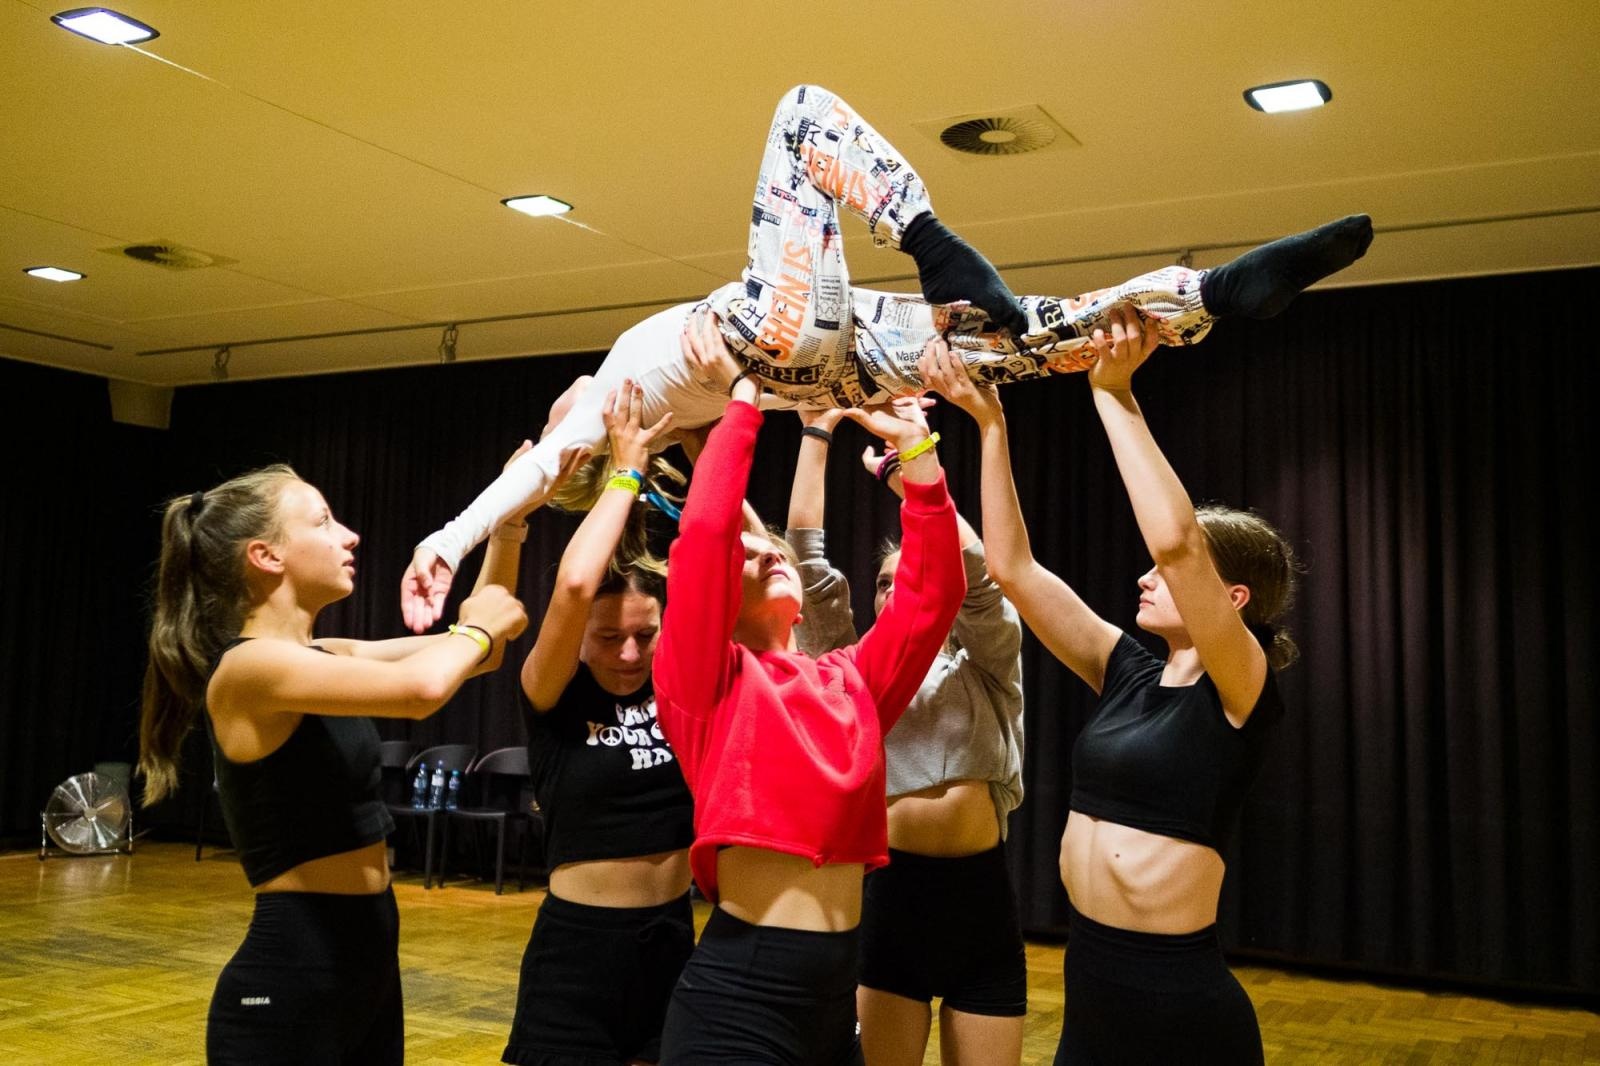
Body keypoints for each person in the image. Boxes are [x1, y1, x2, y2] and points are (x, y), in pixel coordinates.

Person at [401, 83, 1371, 630]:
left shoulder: (669, 443)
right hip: (770, 335)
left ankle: (1204, 298)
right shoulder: (606, 421)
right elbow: (530, 475)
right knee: (797, 116)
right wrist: (447, 539)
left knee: (1032, 337)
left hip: (833, 359)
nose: (549, 414)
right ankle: (931, 240)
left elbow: (725, 511)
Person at [920, 306, 1301, 1065]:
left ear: (1232, 601)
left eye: (1165, 578)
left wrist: (1114, 394)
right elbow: (1014, 571)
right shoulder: (1127, 669)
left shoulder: (1241, 684)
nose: (1146, 575)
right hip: (1092, 985)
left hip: (1179, 1006)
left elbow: (1179, 542)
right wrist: (990, 427)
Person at [138, 456, 555, 1065]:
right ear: (266, 556)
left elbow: (474, 658)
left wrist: (508, 522)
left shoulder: (324, 654)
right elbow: (424, 688)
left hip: (364, 971)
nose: (350, 535)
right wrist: (477, 630)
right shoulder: (247, 670)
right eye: (323, 521)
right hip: (292, 982)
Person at [649, 311, 965, 1063]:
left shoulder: (850, 680)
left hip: (833, 1001)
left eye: (773, 550)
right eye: (751, 554)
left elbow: (933, 596)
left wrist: (916, 454)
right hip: (738, 999)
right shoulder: (705, 679)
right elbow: (703, 539)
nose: (771, 557)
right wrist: (740, 403)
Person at [784, 406, 1028, 1066]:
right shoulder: (852, 670)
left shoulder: (987, 662)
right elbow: (807, 566)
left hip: (981, 905)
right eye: (885, 583)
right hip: (890, 906)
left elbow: (976, 580)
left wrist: (908, 470)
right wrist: (815, 431)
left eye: (909, 580)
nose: (896, 593)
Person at [500, 381, 697, 1066]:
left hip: (672, 939)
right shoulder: (552, 694)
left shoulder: (680, 684)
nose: (629, 654)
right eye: (610, 639)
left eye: (645, 635)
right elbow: (577, 586)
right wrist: (625, 470)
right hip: (579, 955)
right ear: (577, 637)